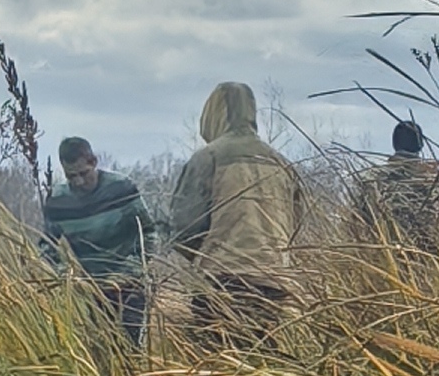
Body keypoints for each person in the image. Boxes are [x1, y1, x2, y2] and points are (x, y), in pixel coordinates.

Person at [167, 81, 302, 340]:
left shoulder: (208, 158)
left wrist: (200, 257)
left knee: (216, 367)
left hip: (220, 279)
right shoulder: (281, 162)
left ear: (213, 114)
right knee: (265, 363)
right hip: (274, 283)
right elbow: (295, 224)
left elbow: (184, 227)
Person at [37, 135, 157, 344]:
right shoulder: (57, 200)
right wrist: (65, 275)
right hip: (90, 289)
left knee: (130, 345)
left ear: (94, 162)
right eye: (71, 176)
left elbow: (148, 231)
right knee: (101, 348)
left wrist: (136, 268)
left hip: (128, 283)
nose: (79, 182)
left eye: (83, 173)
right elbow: (47, 247)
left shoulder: (121, 187)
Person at [352, 117, 439, 248]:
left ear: (394, 144)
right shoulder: (435, 180)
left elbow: (359, 219)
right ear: (421, 145)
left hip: (384, 251)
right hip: (428, 253)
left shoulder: (373, 178)